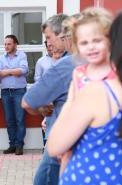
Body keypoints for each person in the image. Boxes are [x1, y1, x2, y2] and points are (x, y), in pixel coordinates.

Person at [47, 8, 122, 185]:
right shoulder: (79, 72)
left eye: (97, 41)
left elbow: (54, 145)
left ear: (110, 41)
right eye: (84, 43)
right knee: (65, 157)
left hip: (91, 136)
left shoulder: (112, 74)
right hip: (79, 128)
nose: (91, 47)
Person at [21, 13, 71, 185]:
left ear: (63, 34)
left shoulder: (67, 64)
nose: (48, 43)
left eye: (49, 37)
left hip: (60, 139)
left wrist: (44, 110)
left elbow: (27, 102)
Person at [0, 34, 28, 155]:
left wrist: (7, 71)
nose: (6, 46)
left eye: (9, 44)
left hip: (19, 91)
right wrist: (13, 71)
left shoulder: (22, 55)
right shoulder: (1, 57)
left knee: (20, 119)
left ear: (15, 44)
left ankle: (19, 145)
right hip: (5, 92)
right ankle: (12, 145)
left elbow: (23, 71)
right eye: (5, 44)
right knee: (9, 120)